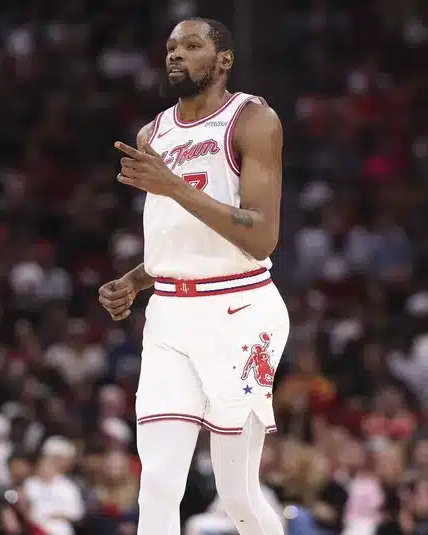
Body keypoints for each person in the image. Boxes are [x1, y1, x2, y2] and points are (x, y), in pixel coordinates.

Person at [98, 17, 287, 535]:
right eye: (170, 47)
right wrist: (136, 281)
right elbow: (179, 241)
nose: (176, 54)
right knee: (157, 482)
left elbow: (261, 237)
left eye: (192, 45)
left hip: (241, 311)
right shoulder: (152, 133)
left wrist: (172, 184)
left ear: (223, 59)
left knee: (237, 492)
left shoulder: (252, 119)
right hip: (169, 315)